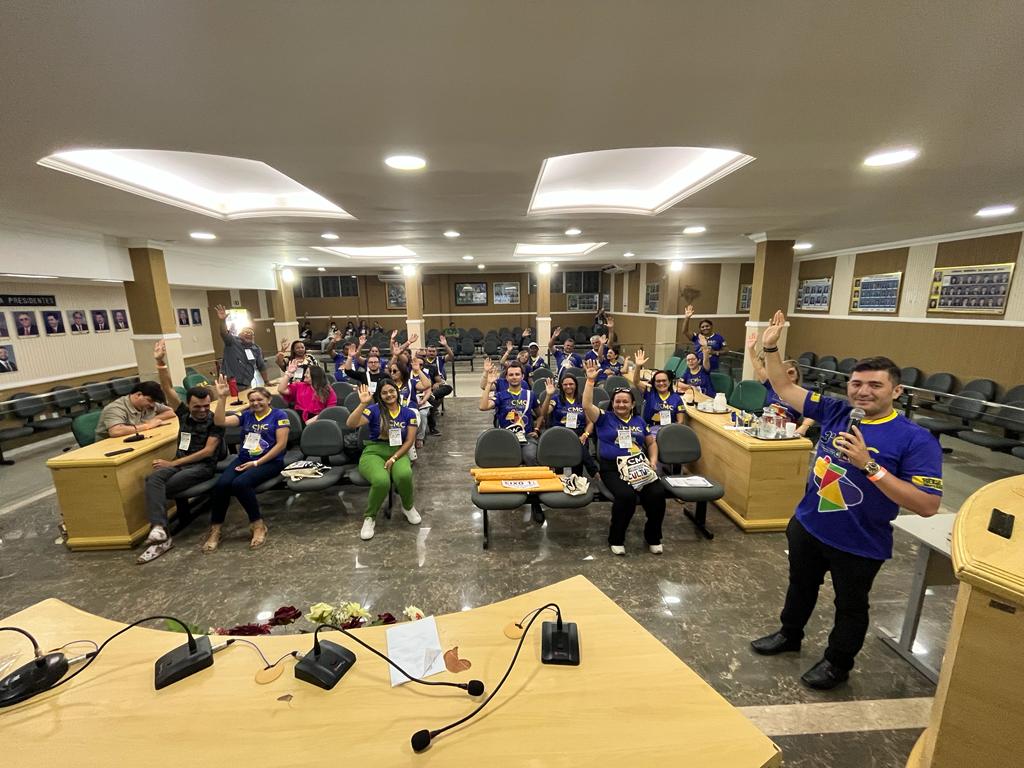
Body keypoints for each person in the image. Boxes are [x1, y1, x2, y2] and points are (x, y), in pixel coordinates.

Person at [749, 310, 943, 690]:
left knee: (850, 605)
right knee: (800, 585)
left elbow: (927, 505)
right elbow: (784, 388)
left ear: (896, 391)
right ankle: (790, 634)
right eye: (856, 383)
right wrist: (770, 348)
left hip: (859, 540)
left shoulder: (915, 439)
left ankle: (837, 663)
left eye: (875, 385)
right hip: (809, 524)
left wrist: (869, 466)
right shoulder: (836, 409)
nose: (863, 391)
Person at [138, 341, 225, 564]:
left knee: (158, 487)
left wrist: (172, 464)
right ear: (188, 404)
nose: (203, 410)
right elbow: (167, 388)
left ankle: (162, 535)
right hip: (180, 462)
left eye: (206, 406)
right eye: (198, 407)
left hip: (201, 467)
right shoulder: (184, 414)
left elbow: (208, 452)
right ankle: (160, 530)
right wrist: (160, 362)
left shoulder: (215, 421)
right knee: (152, 479)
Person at [581, 359, 667, 556]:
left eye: (625, 401)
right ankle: (616, 538)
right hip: (613, 468)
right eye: (617, 401)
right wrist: (590, 381)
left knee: (657, 493)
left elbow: (651, 443)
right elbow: (586, 405)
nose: (621, 404)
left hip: (638, 466)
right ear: (612, 403)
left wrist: (653, 461)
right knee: (626, 496)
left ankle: (653, 536)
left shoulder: (639, 421)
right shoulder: (604, 418)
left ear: (632, 404)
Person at [205, 375, 290, 551]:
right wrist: (222, 397)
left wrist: (257, 463)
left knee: (240, 484)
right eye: (252, 400)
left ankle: (258, 525)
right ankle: (216, 529)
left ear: (269, 400)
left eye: (260, 399)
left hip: (270, 461)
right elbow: (219, 421)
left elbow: (281, 445)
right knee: (221, 485)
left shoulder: (279, 415)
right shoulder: (246, 416)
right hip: (244, 459)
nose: (255, 403)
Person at [346, 381, 421, 540]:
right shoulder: (373, 410)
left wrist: (394, 458)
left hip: (398, 452)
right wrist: (363, 404)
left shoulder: (408, 413)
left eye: (391, 391)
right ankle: (370, 517)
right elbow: (351, 424)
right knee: (381, 481)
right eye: (384, 392)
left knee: (404, 475)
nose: (389, 395)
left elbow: (409, 441)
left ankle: (408, 507)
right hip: (374, 451)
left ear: (397, 391)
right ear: (380, 395)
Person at [746, 332, 815, 436]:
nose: (787, 374)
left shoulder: (802, 394)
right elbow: (759, 368)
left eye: (791, 372)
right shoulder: (773, 385)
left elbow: (812, 414)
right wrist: (751, 349)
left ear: (798, 374)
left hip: (784, 432)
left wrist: (804, 427)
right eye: (784, 372)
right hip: (765, 428)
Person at [479, 361, 539, 464]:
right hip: (505, 437)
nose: (514, 377)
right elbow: (483, 407)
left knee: (530, 456)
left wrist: (537, 429)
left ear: (522, 376)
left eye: (517, 374)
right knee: (504, 460)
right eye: (511, 375)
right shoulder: (500, 395)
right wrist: (489, 383)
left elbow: (541, 414)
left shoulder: (530, 395)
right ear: (506, 377)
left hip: (526, 437)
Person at [538, 373, 598, 475]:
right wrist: (548, 395)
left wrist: (585, 434)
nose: (568, 386)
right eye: (565, 384)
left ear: (576, 385)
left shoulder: (582, 400)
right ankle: (594, 472)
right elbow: (544, 413)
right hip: (560, 434)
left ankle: (585, 474)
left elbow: (590, 422)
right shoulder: (556, 399)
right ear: (561, 386)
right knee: (577, 445)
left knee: (578, 446)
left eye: (571, 384)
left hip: (579, 434)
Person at [95, 380, 177, 440]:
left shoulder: (150, 404)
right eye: (150, 400)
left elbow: (171, 412)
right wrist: (147, 426)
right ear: (138, 395)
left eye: (154, 402)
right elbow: (116, 431)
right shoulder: (115, 408)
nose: (152, 405)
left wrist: (154, 420)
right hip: (108, 447)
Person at [214, 304, 271, 388]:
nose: (248, 334)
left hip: (247, 384)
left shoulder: (256, 348)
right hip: (230, 384)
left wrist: (266, 381)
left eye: (251, 333)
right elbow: (224, 333)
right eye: (245, 332)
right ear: (239, 335)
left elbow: (261, 366)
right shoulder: (232, 342)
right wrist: (223, 321)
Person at [631, 350, 686, 434]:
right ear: (654, 383)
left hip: (669, 432)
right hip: (650, 431)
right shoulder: (650, 392)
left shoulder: (677, 398)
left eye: (664, 381)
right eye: (658, 381)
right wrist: (638, 366)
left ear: (669, 382)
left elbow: (680, 421)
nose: (661, 383)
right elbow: (636, 382)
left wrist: (670, 433)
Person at [421, 338, 454, 436]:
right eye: (430, 351)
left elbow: (451, 356)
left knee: (448, 388)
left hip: (439, 384)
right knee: (431, 402)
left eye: (433, 351)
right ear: (426, 351)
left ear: (436, 352)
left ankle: (432, 396)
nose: (431, 353)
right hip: (425, 385)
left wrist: (445, 345)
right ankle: (431, 398)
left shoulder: (440, 359)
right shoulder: (422, 362)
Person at [681, 305, 727, 371]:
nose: (705, 328)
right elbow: (685, 331)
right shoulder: (697, 337)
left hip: (713, 368)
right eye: (702, 327)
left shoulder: (718, 337)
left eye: (707, 326)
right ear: (700, 329)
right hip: (697, 367)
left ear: (711, 326)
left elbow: (726, 350)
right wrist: (687, 318)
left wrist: (714, 352)